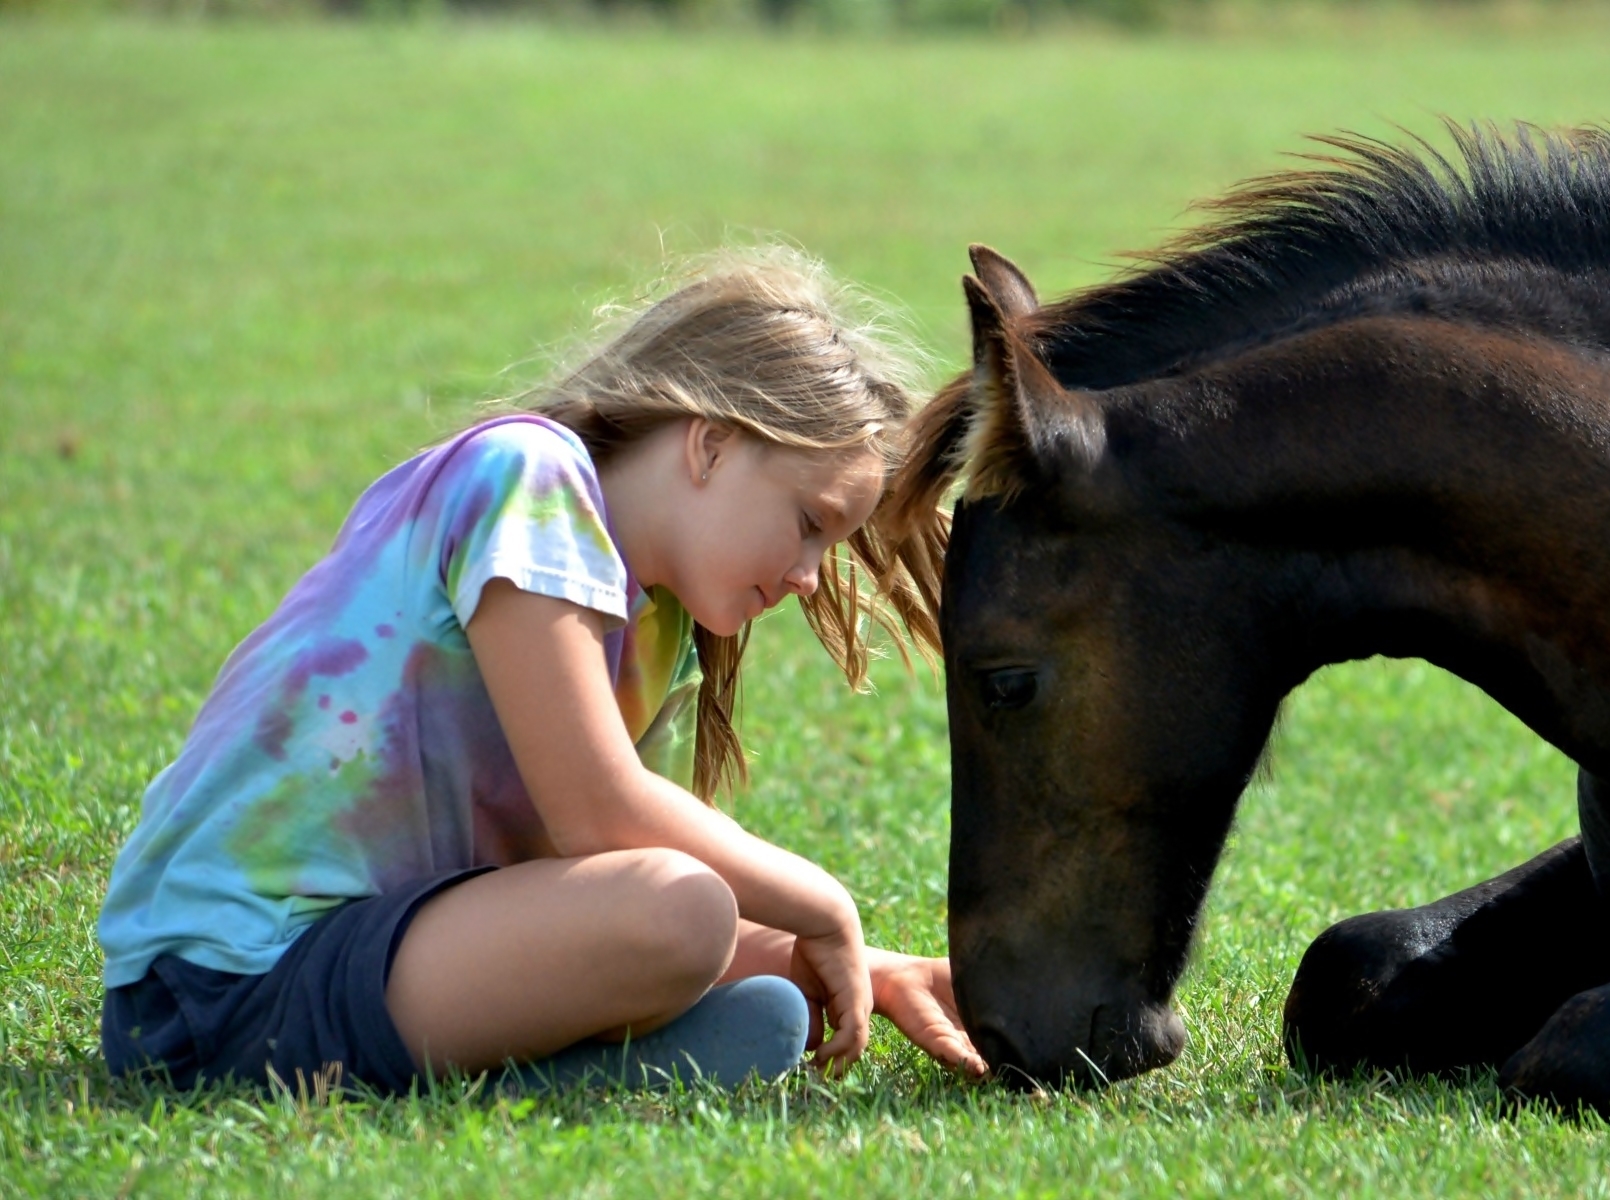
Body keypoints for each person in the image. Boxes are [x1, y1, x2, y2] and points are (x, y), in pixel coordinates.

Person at [95, 248, 982, 1094]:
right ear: (710, 446)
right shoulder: (527, 476)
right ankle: (559, 1076)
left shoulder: (660, 623)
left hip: (374, 955)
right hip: (223, 986)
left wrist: (860, 971)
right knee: (686, 910)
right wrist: (822, 907)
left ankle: (567, 1067)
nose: (809, 575)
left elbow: (587, 881)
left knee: (688, 917)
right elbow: (599, 812)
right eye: (808, 522)